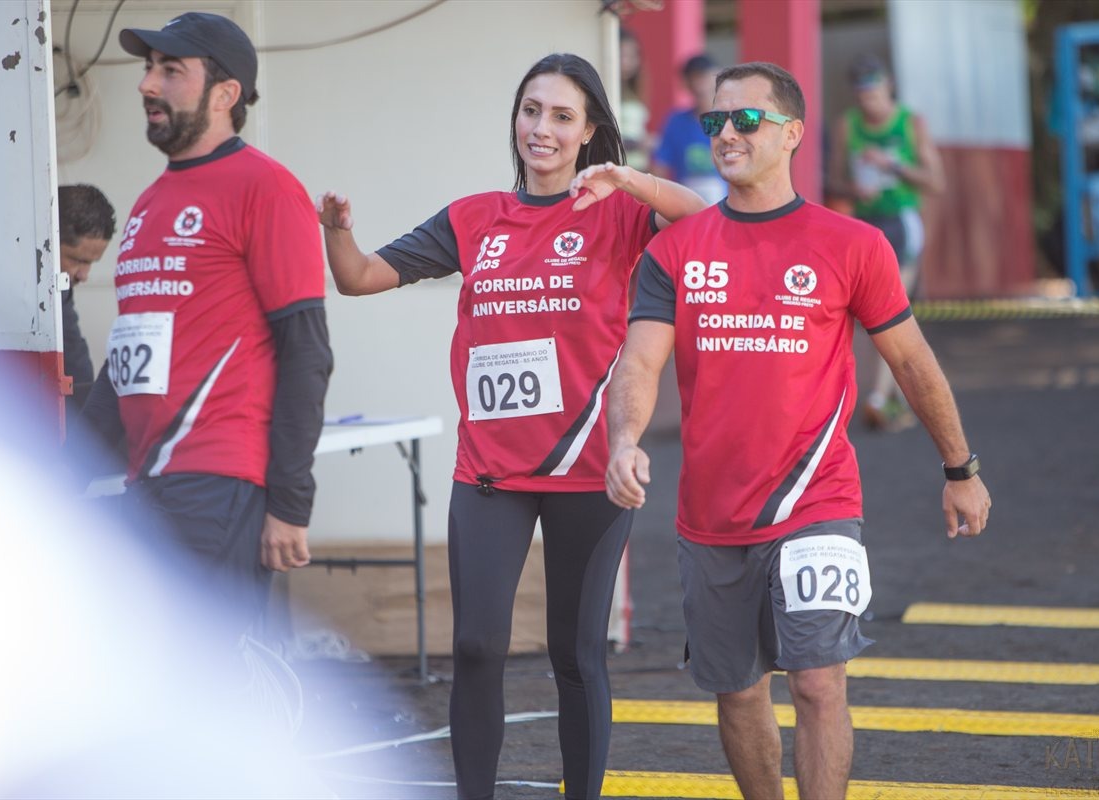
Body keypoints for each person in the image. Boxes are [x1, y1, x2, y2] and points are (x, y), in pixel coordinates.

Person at [317, 53, 705, 800]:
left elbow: (707, 219)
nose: (542, 129)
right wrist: (338, 232)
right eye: (532, 110)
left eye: (562, 116)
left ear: (590, 131)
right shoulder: (473, 218)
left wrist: (627, 179)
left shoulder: (621, 215)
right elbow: (360, 277)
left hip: (588, 470)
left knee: (576, 652)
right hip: (490, 472)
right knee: (474, 646)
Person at [605, 61, 991, 800]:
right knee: (739, 691)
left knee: (817, 683)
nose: (726, 133)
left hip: (819, 502)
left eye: (745, 120)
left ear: (792, 135)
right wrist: (625, 439)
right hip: (710, 515)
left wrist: (960, 468)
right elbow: (640, 362)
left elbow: (910, 360)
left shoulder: (852, 243)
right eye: (716, 120)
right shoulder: (674, 252)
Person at [73, 12, 333, 641]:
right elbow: (128, 360)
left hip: (220, 480)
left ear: (225, 95)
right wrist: (64, 472)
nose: (147, 84)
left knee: (191, 676)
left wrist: (289, 505)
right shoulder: (149, 202)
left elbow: (307, 353)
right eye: (148, 68)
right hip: (149, 483)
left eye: (170, 70)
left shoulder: (265, 189)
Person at [826, 53, 945, 432]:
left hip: (902, 223)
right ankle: (883, 400)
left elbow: (936, 182)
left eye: (874, 94)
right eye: (862, 97)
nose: (869, 103)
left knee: (893, 312)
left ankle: (878, 398)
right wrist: (852, 188)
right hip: (864, 226)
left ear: (888, 86)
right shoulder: (847, 126)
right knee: (860, 315)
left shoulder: (911, 124)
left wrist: (892, 165)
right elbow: (832, 182)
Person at [57, 184, 116, 416]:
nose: (84, 275)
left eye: (91, 263)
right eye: (77, 260)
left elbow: (76, 363)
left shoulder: (60, 288)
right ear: (47, 239)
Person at [652, 53, 727, 204]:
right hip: (686, 202)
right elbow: (659, 166)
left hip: (727, 203)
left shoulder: (732, 119)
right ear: (686, 83)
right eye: (695, 78)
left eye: (704, 77)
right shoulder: (675, 121)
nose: (701, 85)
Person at [618, 28, 651, 171]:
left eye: (633, 56)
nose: (628, 62)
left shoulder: (635, 90)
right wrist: (634, 143)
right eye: (623, 55)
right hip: (617, 168)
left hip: (640, 168)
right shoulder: (606, 89)